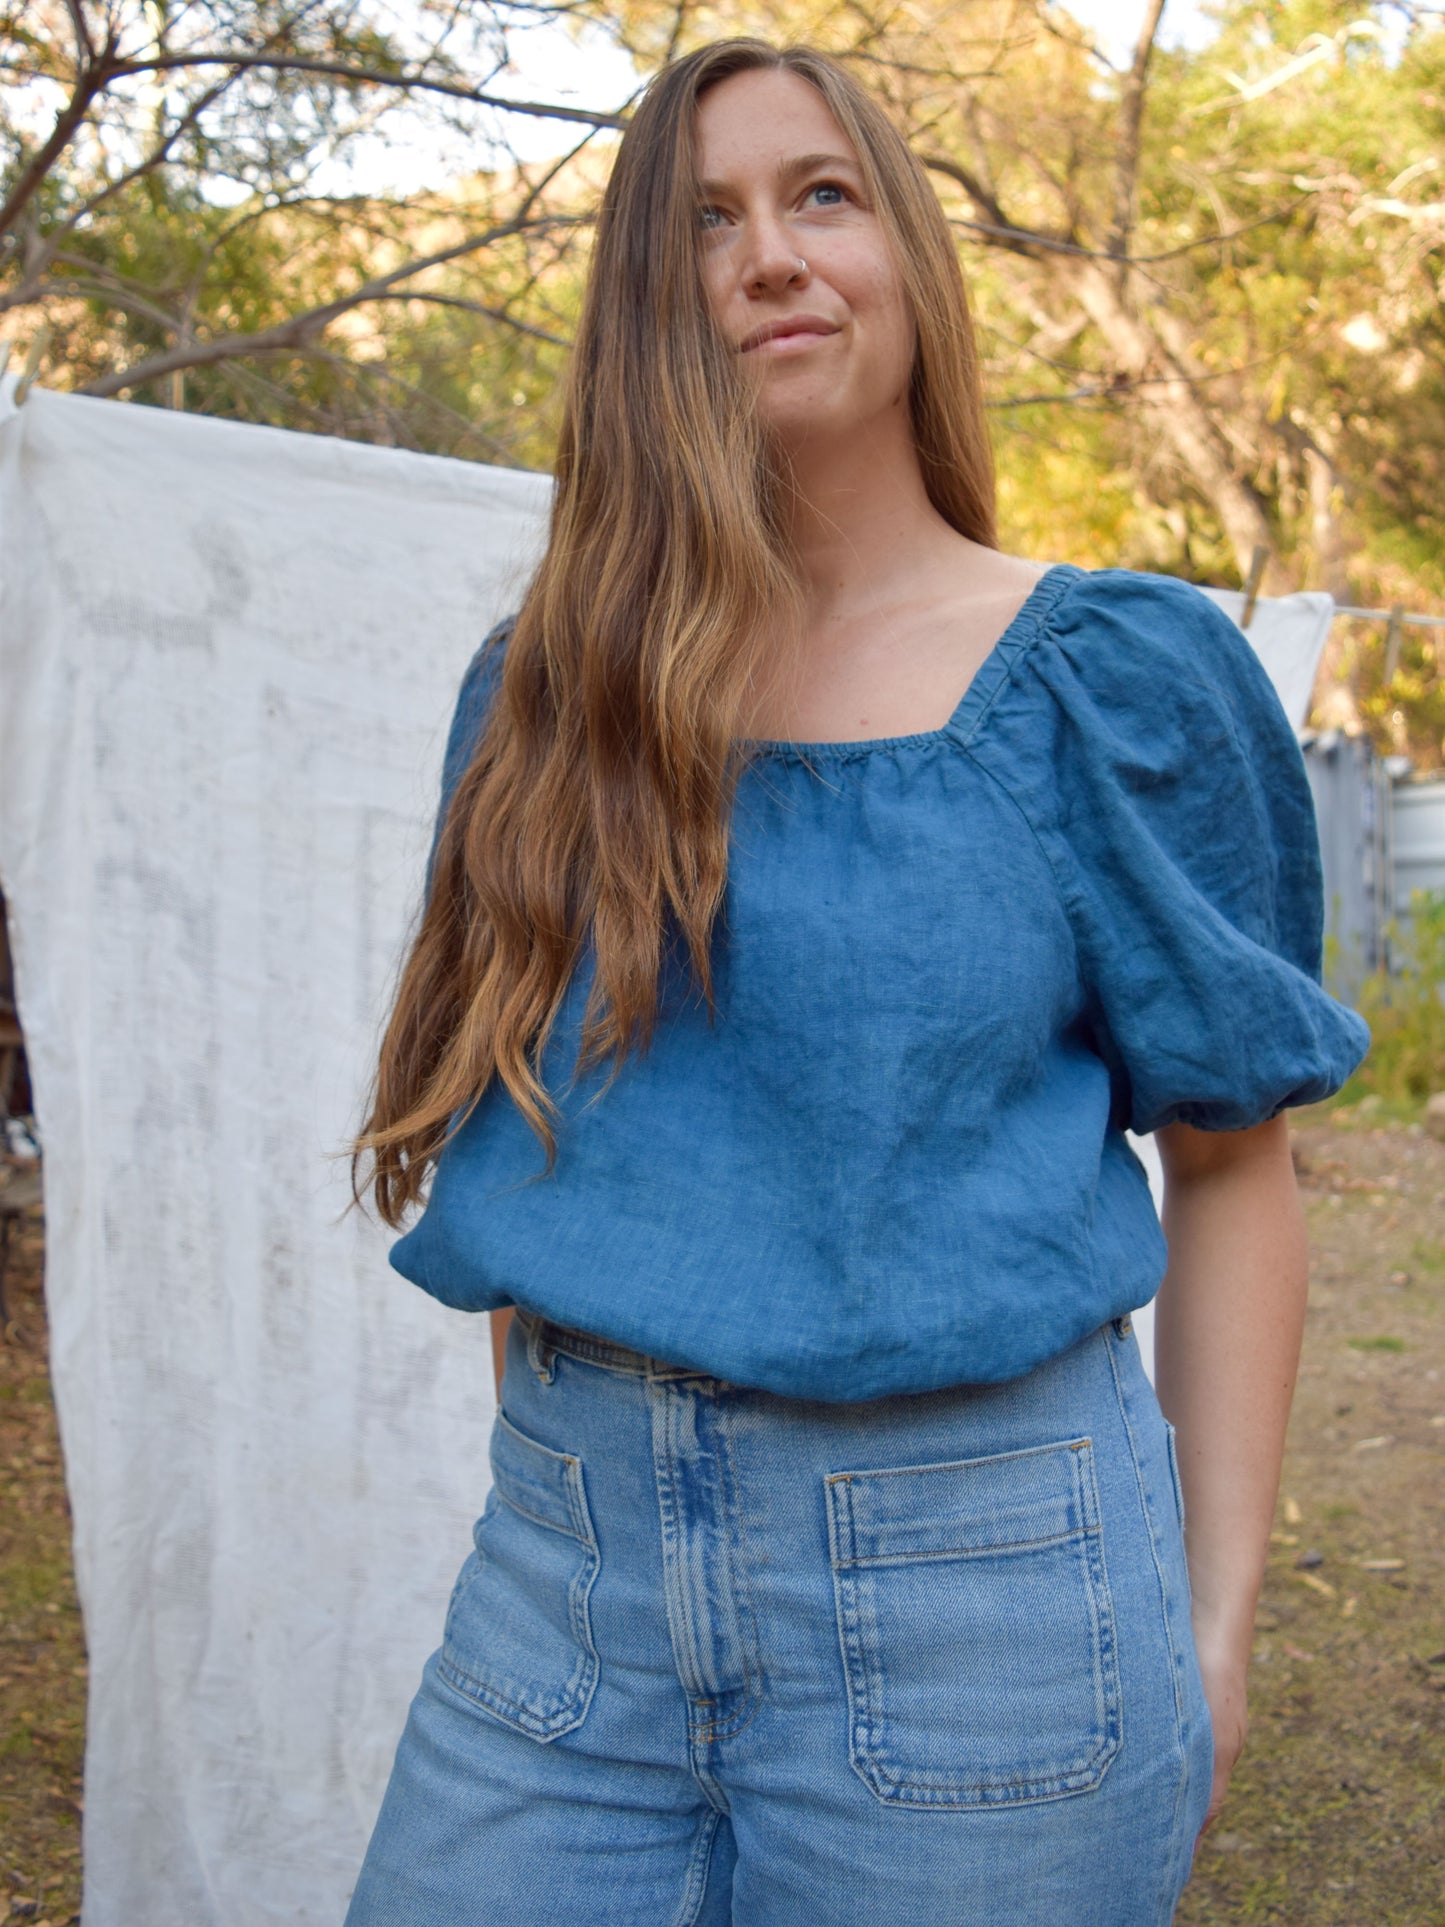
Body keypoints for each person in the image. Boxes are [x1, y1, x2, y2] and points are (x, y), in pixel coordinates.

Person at [343, 36, 1371, 1926]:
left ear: (906, 250)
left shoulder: (1111, 681)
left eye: (820, 195)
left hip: (986, 1593)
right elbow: (556, 1146)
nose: (769, 257)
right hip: (566, 1602)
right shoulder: (543, 701)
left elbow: (1232, 1173)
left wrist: (1213, 1633)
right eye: (703, 226)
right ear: (647, 314)